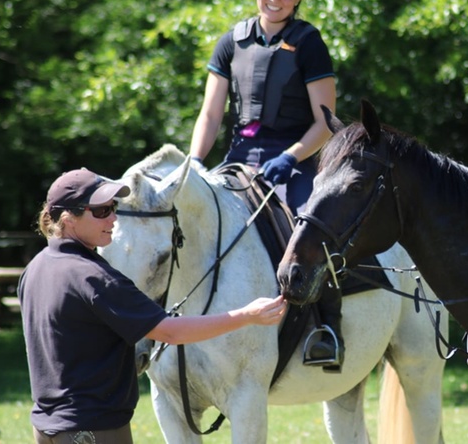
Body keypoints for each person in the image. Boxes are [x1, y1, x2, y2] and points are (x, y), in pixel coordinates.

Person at [18, 168, 287, 444]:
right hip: (93, 430)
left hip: (47, 428)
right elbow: (170, 333)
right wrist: (246, 315)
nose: (112, 217)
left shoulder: (35, 268)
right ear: (68, 219)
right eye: (100, 211)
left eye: (113, 207)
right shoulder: (95, 278)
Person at [186, 0, 343, 370]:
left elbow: (327, 122)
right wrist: (194, 164)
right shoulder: (230, 42)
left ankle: (326, 327)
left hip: (293, 159)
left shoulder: (309, 44)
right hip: (239, 157)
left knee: (311, 230)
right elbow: (211, 112)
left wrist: (291, 157)